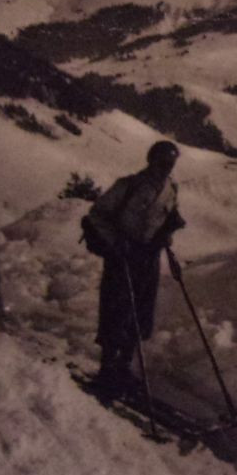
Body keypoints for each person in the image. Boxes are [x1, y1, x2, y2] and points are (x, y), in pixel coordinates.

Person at [83, 140, 186, 397]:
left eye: (170, 164)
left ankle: (124, 366)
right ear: (151, 161)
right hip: (122, 255)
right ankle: (107, 368)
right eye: (162, 162)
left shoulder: (171, 189)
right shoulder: (127, 186)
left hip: (148, 258)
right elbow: (97, 214)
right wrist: (116, 241)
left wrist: (167, 235)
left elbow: (166, 219)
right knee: (116, 310)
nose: (166, 168)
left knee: (140, 311)